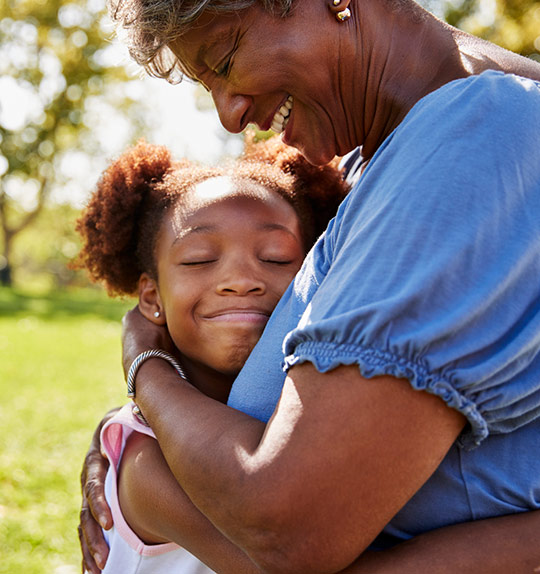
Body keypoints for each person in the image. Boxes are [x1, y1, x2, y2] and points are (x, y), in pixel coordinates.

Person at [78, 0, 540, 572]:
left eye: (223, 60)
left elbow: (286, 528)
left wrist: (142, 364)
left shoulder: (474, 139)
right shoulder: (366, 170)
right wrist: (130, 438)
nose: (228, 115)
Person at [74, 137, 347, 573]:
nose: (240, 280)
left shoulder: (307, 408)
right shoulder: (148, 460)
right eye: (200, 259)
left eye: (276, 258)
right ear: (151, 295)